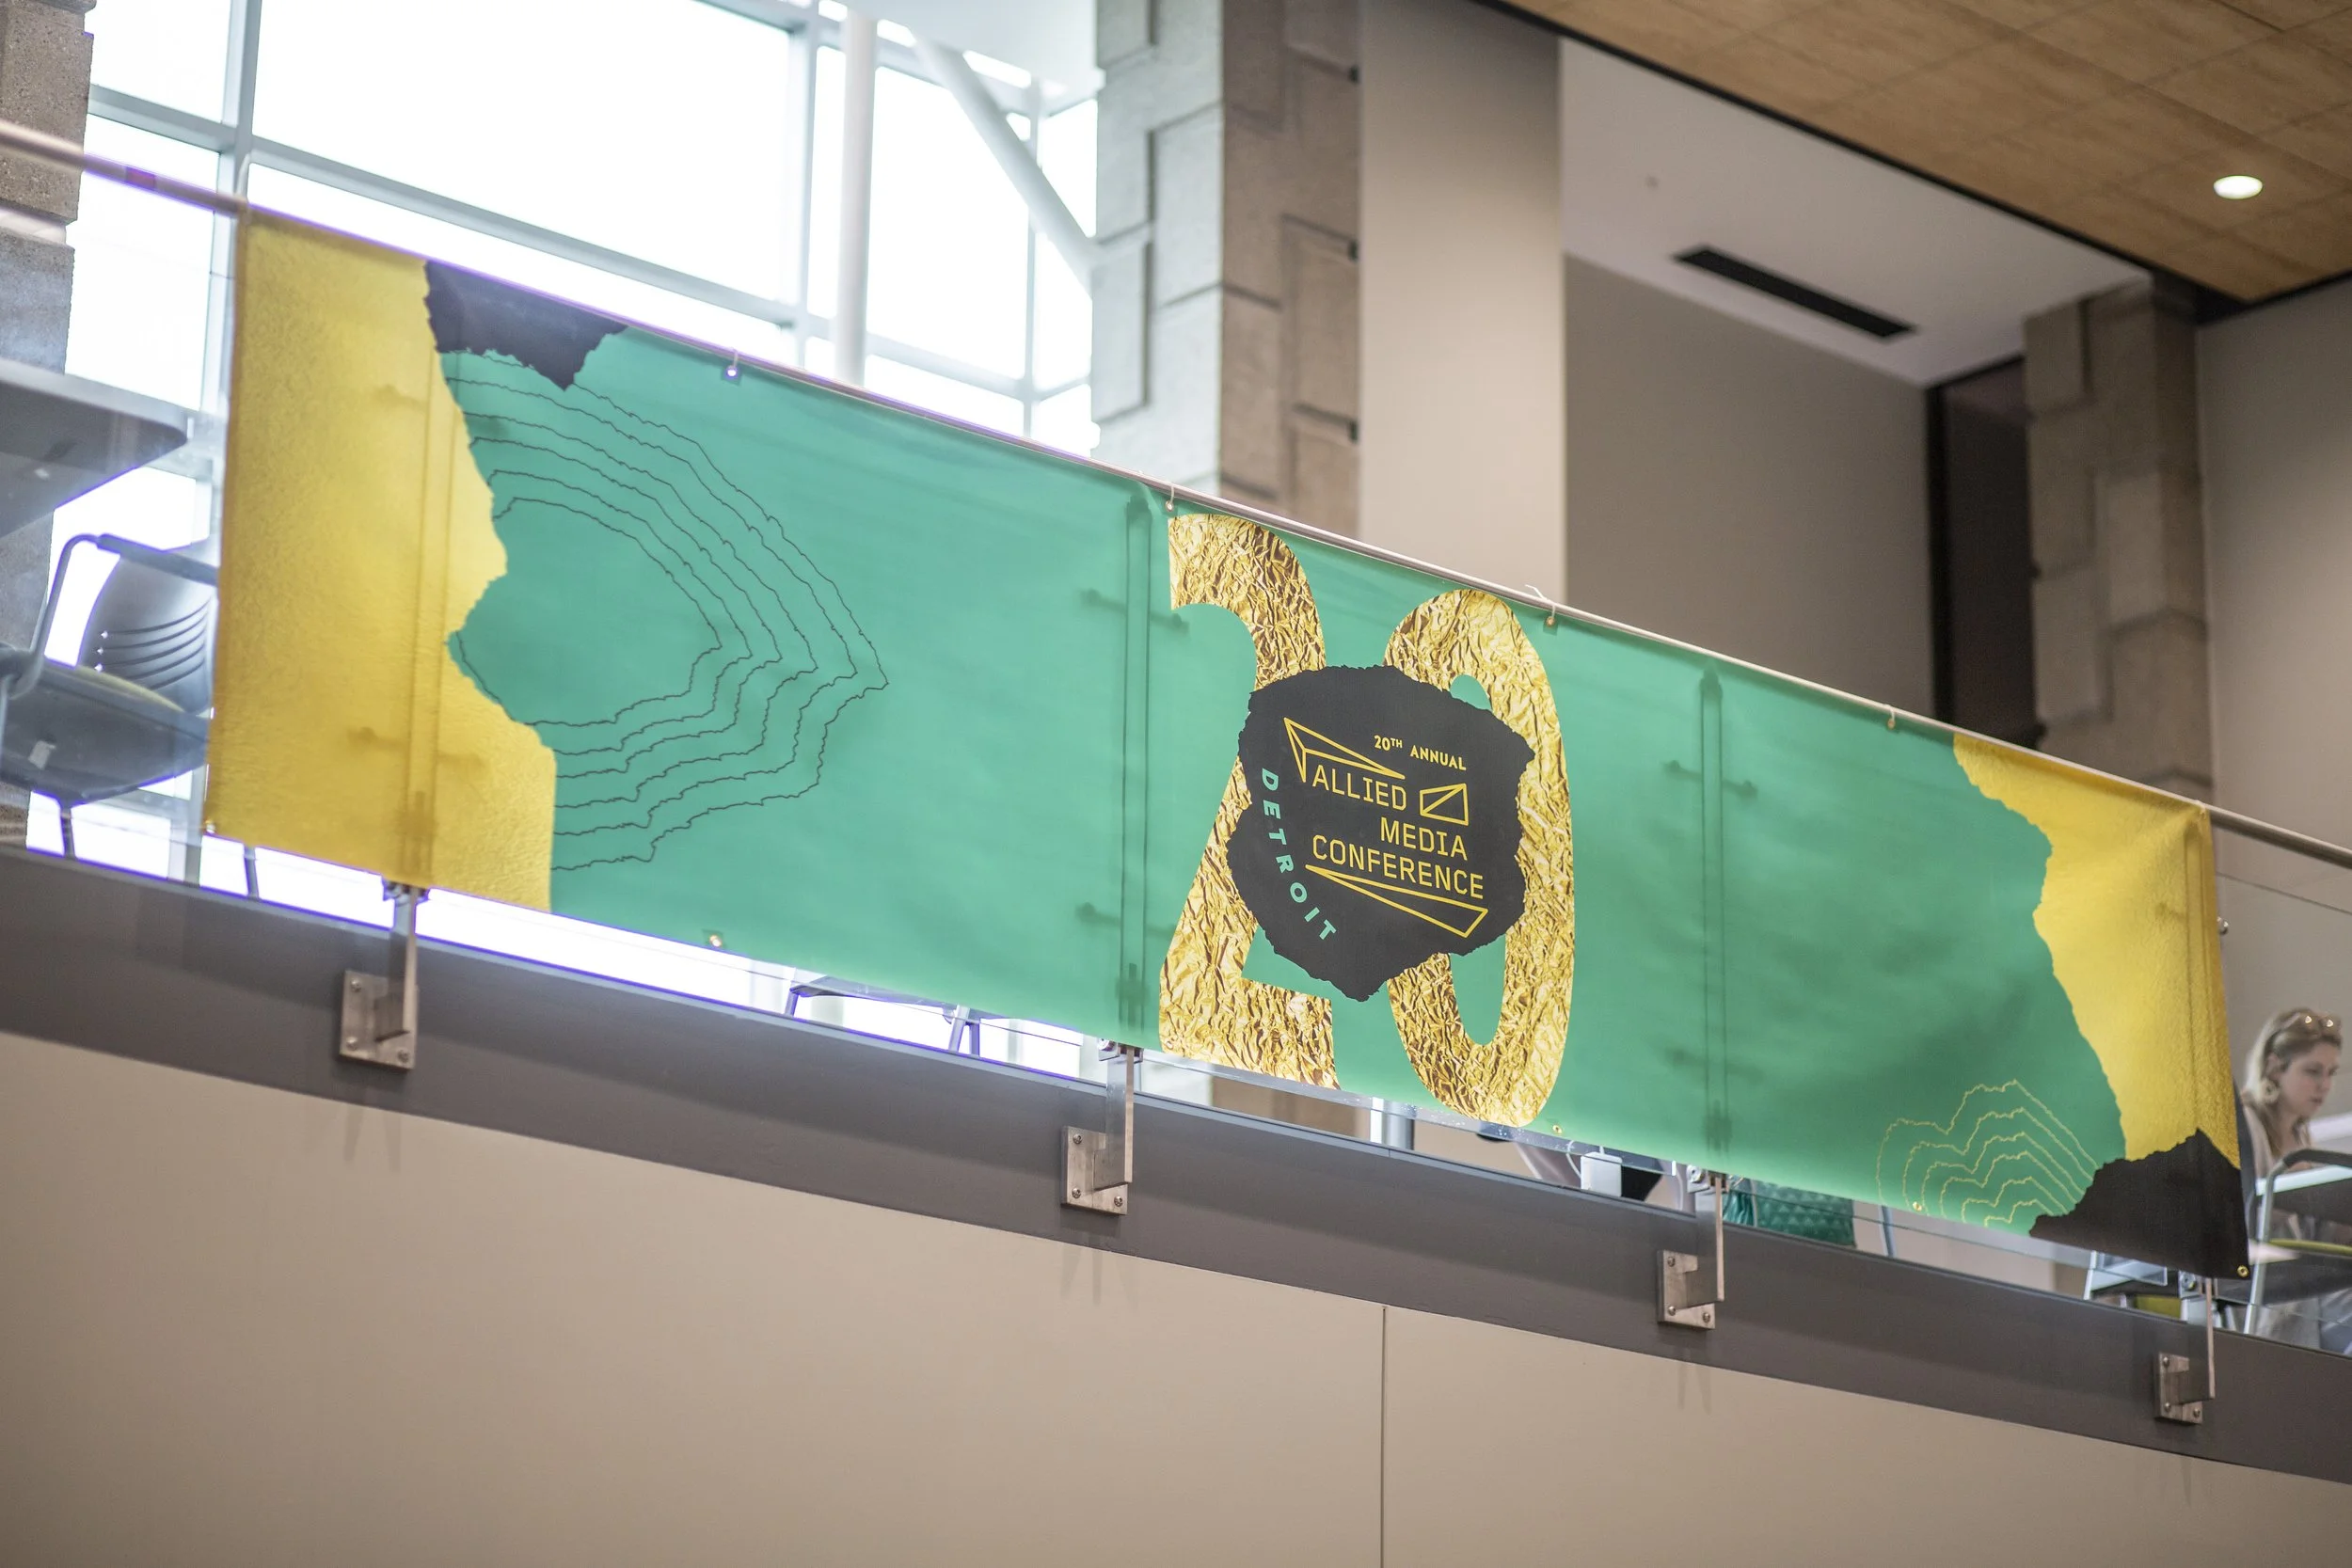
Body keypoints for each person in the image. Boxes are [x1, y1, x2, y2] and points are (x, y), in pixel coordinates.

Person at [2239, 1007, 2344, 1348]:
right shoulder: (2244, 1123)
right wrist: (2297, 1191)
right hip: (2264, 1292)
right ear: (2274, 1067)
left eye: (2331, 1073)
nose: (2324, 1085)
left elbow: (2319, 1238)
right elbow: (2239, 1220)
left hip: (2305, 1287)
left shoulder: (2302, 1139)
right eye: (2312, 1071)